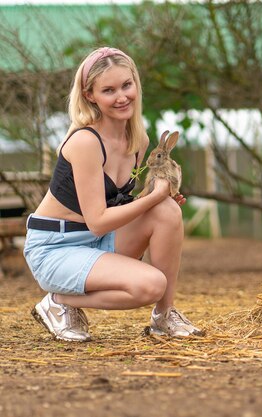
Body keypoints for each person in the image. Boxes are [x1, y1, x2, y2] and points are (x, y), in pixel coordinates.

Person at [23, 46, 203, 342]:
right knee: (150, 284)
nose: (122, 97)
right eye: (108, 90)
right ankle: (58, 302)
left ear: (136, 84)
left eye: (126, 85)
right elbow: (97, 220)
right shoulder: (85, 141)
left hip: (96, 241)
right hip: (56, 248)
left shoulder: (138, 140)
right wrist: (152, 198)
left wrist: (158, 201)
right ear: (90, 95)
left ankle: (164, 317)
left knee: (168, 212)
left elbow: (119, 204)